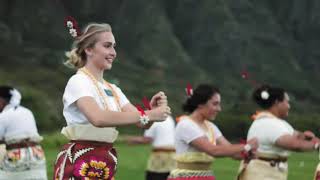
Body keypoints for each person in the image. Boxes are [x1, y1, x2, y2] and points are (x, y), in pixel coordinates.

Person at [53, 20, 171, 180]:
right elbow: (98, 118)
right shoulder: (78, 81)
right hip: (81, 160)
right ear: (88, 49)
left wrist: (151, 111)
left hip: (105, 161)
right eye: (107, 46)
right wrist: (150, 115)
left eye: (114, 46)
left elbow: (141, 122)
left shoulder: (114, 89)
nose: (113, 52)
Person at [168, 84, 258, 180]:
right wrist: (247, 146)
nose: (219, 109)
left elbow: (231, 151)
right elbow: (213, 150)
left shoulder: (211, 127)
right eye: (215, 104)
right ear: (200, 104)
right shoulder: (186, 125)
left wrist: (247, 154)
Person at [238, 84, 320, 180]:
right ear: (277, 102)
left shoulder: (278, 122)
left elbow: (298, 136)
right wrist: (316, 145)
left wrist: (307, 137)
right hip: (261, 175)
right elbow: (295, 145)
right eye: (287, 102)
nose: (289, 106)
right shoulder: (268, 123)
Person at [0, 86, 47, 180]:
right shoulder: (27, 111)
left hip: (16, 157)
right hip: (37, 154)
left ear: (1, 101)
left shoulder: (4, 115)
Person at [126, 115, 176, 180]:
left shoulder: (153, 119)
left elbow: (147, 140)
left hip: (160, 155)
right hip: (173, 154)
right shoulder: (169, 118)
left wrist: (132, 140)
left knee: (154, 177)